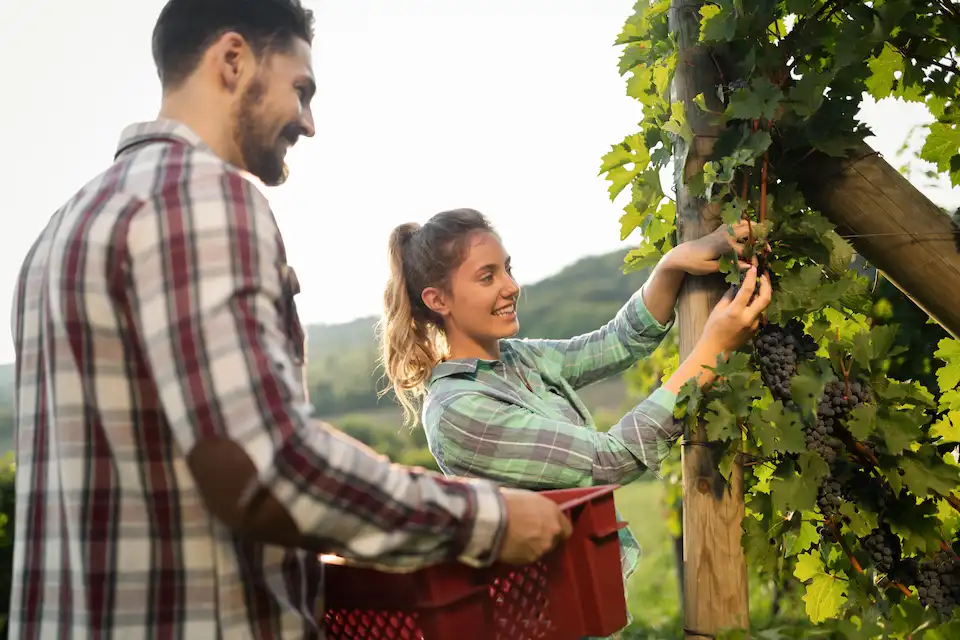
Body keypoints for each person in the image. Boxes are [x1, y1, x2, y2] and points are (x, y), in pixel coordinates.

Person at [8, 3, 572, 638]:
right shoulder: (201, 196)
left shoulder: (61, 233)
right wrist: (488, 520)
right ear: (232, 61)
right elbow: (267, 463)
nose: (308, 123)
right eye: (300, 90)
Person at [378, 208, 772, 635]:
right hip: (537, 622)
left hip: (577, 607)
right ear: (438, 300)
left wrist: (672, 263)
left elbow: (615, 342)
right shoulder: (460, 412)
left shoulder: (516, 359)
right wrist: (709, 353)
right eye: (487, 277)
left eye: (507, 269)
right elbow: (607, 462)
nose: (512, 287)